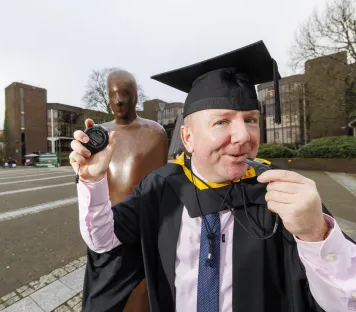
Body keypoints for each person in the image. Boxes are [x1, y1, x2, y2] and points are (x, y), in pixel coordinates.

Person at [70, 41, 356, 312]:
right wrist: (94, 181)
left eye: (251, 120)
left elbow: (345, 302)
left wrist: (317, 236)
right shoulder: (161, 189)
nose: (244, 136)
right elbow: (104, 242)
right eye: (222, 121)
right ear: (188, 137)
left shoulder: (282, 194)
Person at [80, 69, 168, 312]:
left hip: (143, 230)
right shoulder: (100, 136)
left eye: (125, 94)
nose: (119, 101)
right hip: (108, 230)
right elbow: (90, 186)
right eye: (113, 95)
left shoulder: (155, 133)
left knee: (141, 299)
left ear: (136, 96)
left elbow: (159, 186)